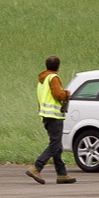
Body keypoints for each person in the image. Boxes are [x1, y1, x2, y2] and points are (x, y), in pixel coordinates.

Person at [26, 56, 76, 185]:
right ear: (58, 66)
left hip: (46, 115)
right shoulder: (53, 78)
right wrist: (67, 93)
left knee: (57, 146)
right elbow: (58, 94)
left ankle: (62, 174)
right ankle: (36, 167)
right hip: (54, 116)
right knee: (55, 145)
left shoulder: (41, 80)